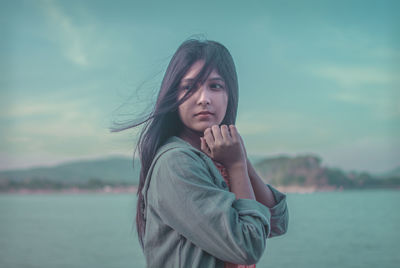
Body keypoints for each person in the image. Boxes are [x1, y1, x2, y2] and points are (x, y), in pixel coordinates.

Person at [114, 39, 289, 268]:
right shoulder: (176, 162)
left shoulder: (214, 158)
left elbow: (277, 221)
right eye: (189, 87)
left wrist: (241, 160)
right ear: (174, 97)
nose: (203, 98)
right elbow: (247, 246)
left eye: (215, 86)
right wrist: (236, 165)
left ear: (230, 95)